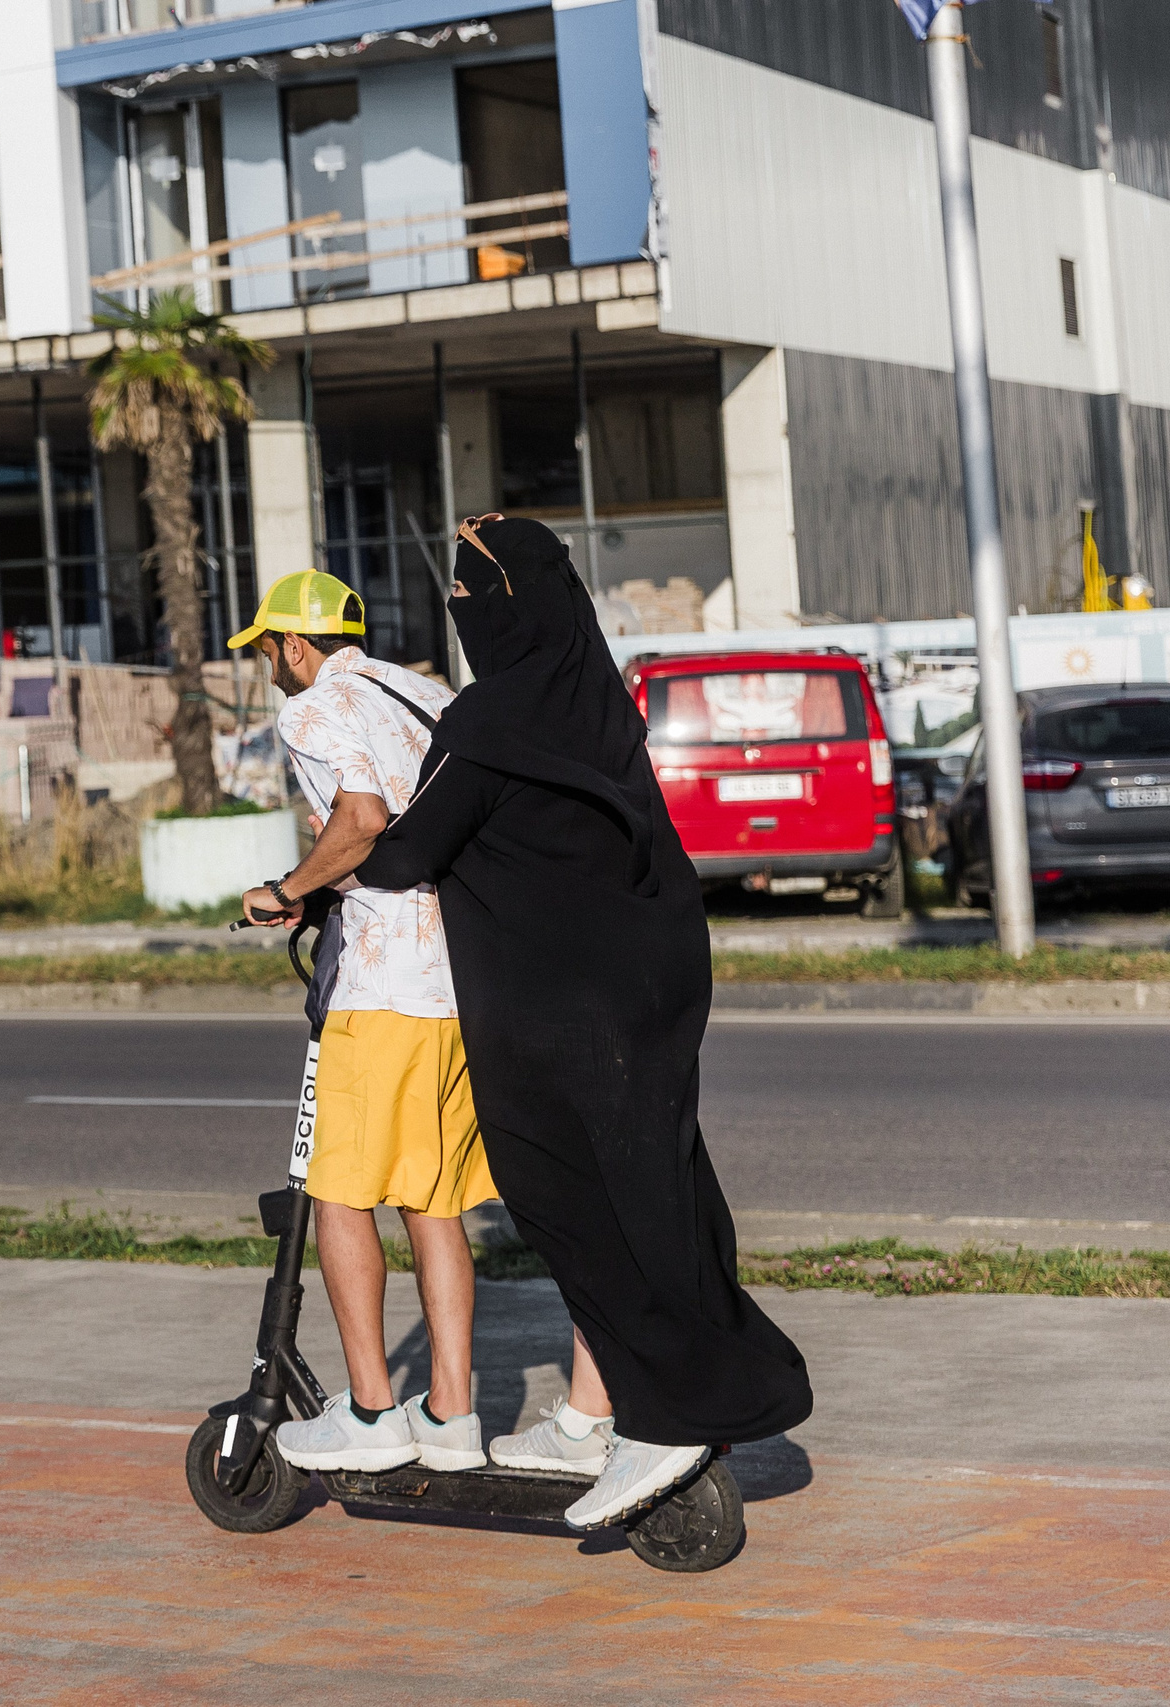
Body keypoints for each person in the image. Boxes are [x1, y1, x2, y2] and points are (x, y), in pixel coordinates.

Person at [351, 516, 813, 1530]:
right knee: (658, 1194)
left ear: (501, 612)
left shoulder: (486, 720)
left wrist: (320, 861)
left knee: (574, 1206)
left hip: (556, 1014)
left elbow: (404, 852)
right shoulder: (599, 704)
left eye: (469, 595)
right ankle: (671, 1396)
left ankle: (661, 1416)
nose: (463, 612)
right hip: (649, 987)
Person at [226, 570, 498, 1477]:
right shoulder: (424, 689)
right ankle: (452, 1413)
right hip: (457, 978)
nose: (269, 666)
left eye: (268, 649)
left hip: (380, 984)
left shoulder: (312, 711)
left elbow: (362, 819)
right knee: (433, 1197)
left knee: (340, 1189)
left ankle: (375, 1409)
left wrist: (289, 888)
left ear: (294, 645)